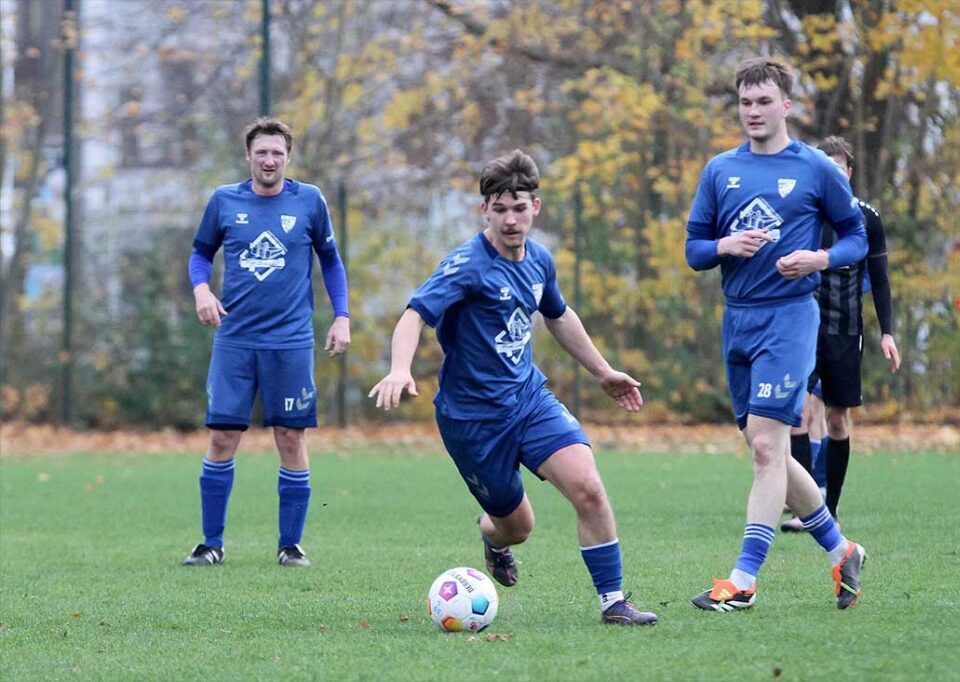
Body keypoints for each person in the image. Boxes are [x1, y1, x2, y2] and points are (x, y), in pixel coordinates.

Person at [369, 150, 657, 625]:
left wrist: (603, 372)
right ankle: (493, 538)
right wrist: (400, 369)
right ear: (484, 210)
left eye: (519, 208)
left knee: (588, 487)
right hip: (473, 422)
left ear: (535, 208)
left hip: (528, 400)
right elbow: (415, 313)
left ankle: (614, 602)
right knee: (518, 527)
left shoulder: (539, 260)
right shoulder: (466, 265)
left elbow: (559, 316)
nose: (510, 219)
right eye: (499, 209)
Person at [684, 58, 869, 611]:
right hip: (737, 319)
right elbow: (694, 249)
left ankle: (742, 581)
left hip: (790, 317)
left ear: (787, 105)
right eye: (745, 103)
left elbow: (857, 236)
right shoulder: (720, 170)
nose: (753, 112)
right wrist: (724, 246)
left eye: (764, 102)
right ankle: (842, 550)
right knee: (767, 451)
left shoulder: (815, 168)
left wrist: (820, 257)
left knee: (768, 446)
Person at [182, 117, 351, 568]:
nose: (269, 160)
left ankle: (290, 545)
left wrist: (342, 317)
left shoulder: (310, 201)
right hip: (235, 339)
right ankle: (211, 543)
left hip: (291, 341)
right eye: (262, 152)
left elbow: (331, 262)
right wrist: (202, 290)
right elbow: (200, 253)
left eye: (277, 152)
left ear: (288, 157)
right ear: (249, 157)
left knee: (291, 437)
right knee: (221, 437)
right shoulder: (224, 201)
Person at [784, 136, 901, 532]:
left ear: (848, 173)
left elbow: (881, 279)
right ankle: (807, 509)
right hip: (803, 327)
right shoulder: (803, 214)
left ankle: (829, 509)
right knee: (798, 411)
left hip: (846, 332)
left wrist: (887, 332)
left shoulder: (866, 219)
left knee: (837, 420)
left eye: (838, 170)